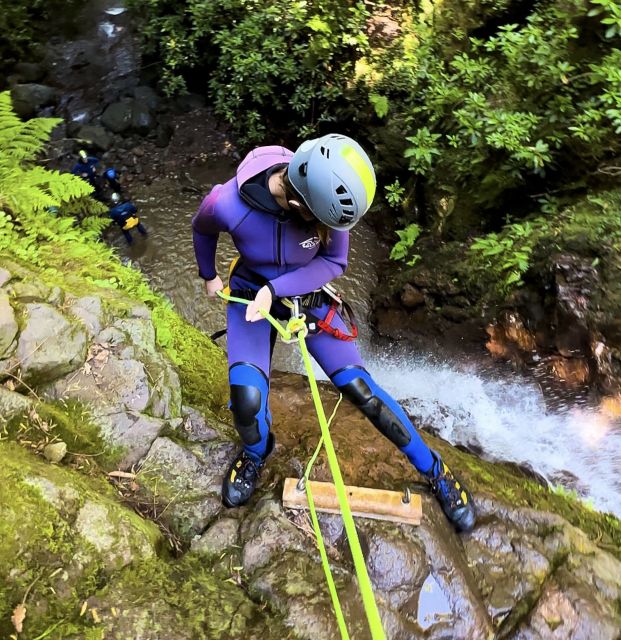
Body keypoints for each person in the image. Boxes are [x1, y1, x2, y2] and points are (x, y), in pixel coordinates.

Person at [192, 134, 476, 532]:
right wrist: (209, 275)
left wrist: (276, 289)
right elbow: (201, 227)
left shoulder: (327, 201)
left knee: (363, 392)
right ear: (295, 202)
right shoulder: (229, 204)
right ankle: (256, 452)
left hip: (307, 299)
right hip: (247, 293)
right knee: (247, 397)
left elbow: (335, 262)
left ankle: (437, 471)